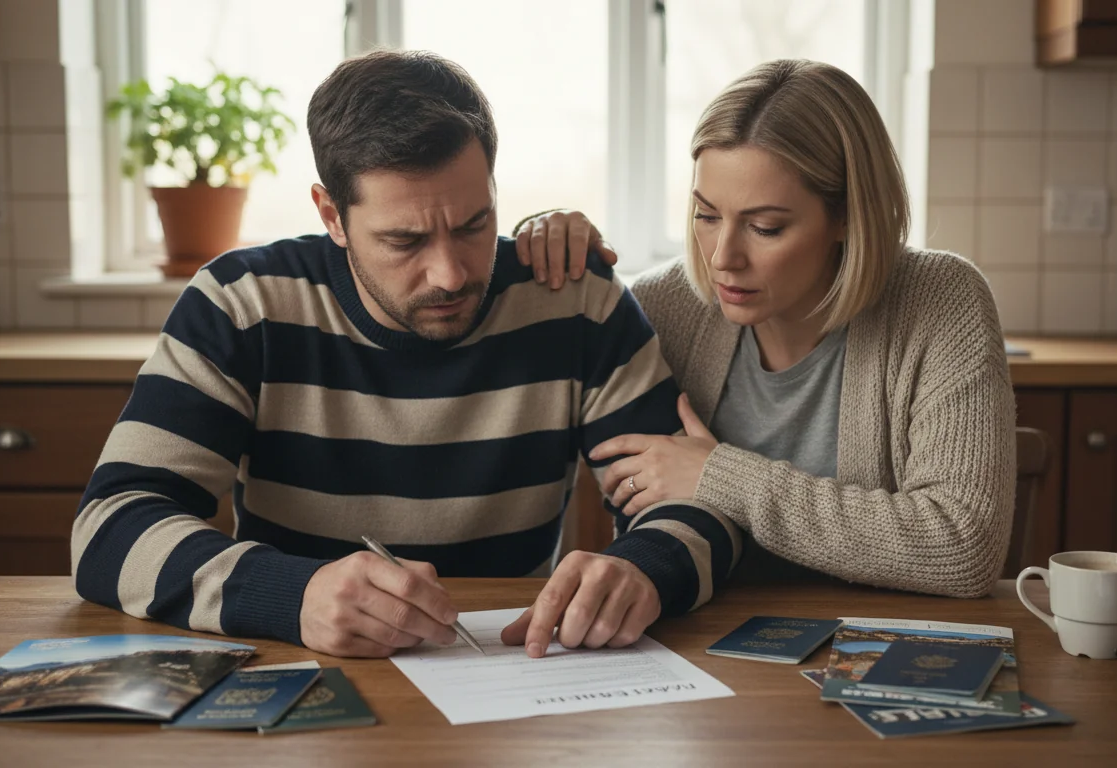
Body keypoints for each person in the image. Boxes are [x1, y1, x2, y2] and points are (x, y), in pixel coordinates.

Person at [72, 50, 741, 659]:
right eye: (404, 240)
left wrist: (643, 570)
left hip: (516, 672)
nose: (450, 273)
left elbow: (697, 504)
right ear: (331, 215)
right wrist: (293, 595)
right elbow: (109, 528)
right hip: (303, 669)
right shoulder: (243, 305)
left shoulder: (574, 302)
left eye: (474, 224)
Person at [515, 59, 1016, 598]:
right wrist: (538, 245)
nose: (723, 257)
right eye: (707, 215)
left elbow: (964, 548)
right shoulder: (664, 306)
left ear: (848, 214)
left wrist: (721, 477)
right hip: (699, 643)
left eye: (765, 227)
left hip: (883, 644)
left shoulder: (941, 300)